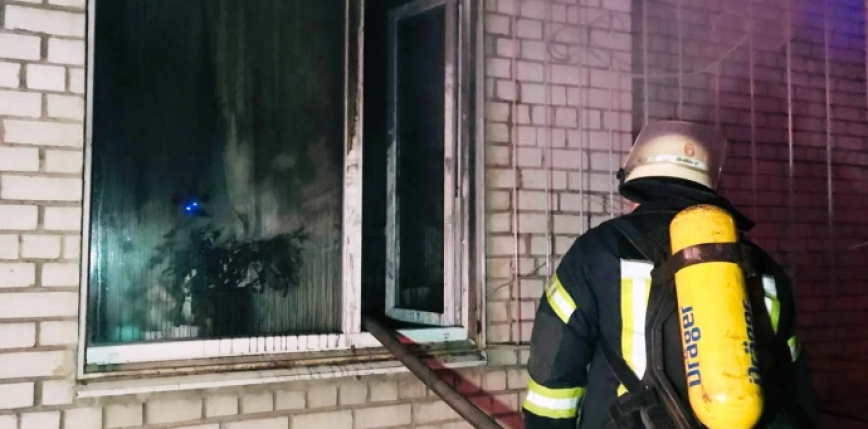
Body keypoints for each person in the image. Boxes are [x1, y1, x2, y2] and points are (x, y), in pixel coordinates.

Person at [521, 121, 819, 429]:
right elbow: (794, 387)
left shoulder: (597, 252)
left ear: (637, 189)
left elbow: (553, 374)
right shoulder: (763, 266)